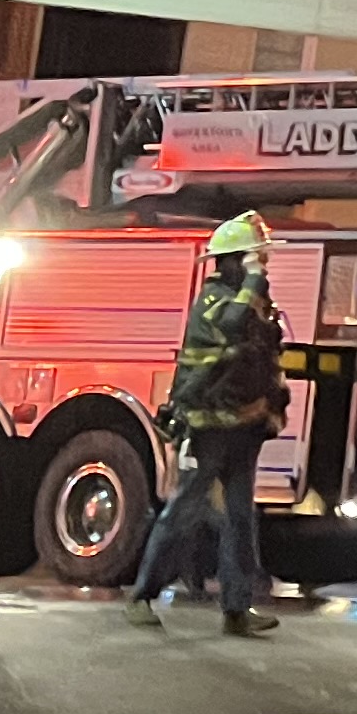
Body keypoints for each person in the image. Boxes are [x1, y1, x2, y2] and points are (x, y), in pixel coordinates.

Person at [127, 213, 291, 635]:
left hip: (244, 427)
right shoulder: (215, 301)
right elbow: (230, 331)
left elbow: (265, 359)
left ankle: (237, 608)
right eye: (255, 260)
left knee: (240, 518)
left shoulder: (252, 303)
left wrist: (272, 409)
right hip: (208, 428)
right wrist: (253, 282)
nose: (263, 267)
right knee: (185, 510)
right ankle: (142, 596)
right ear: (233, 261)